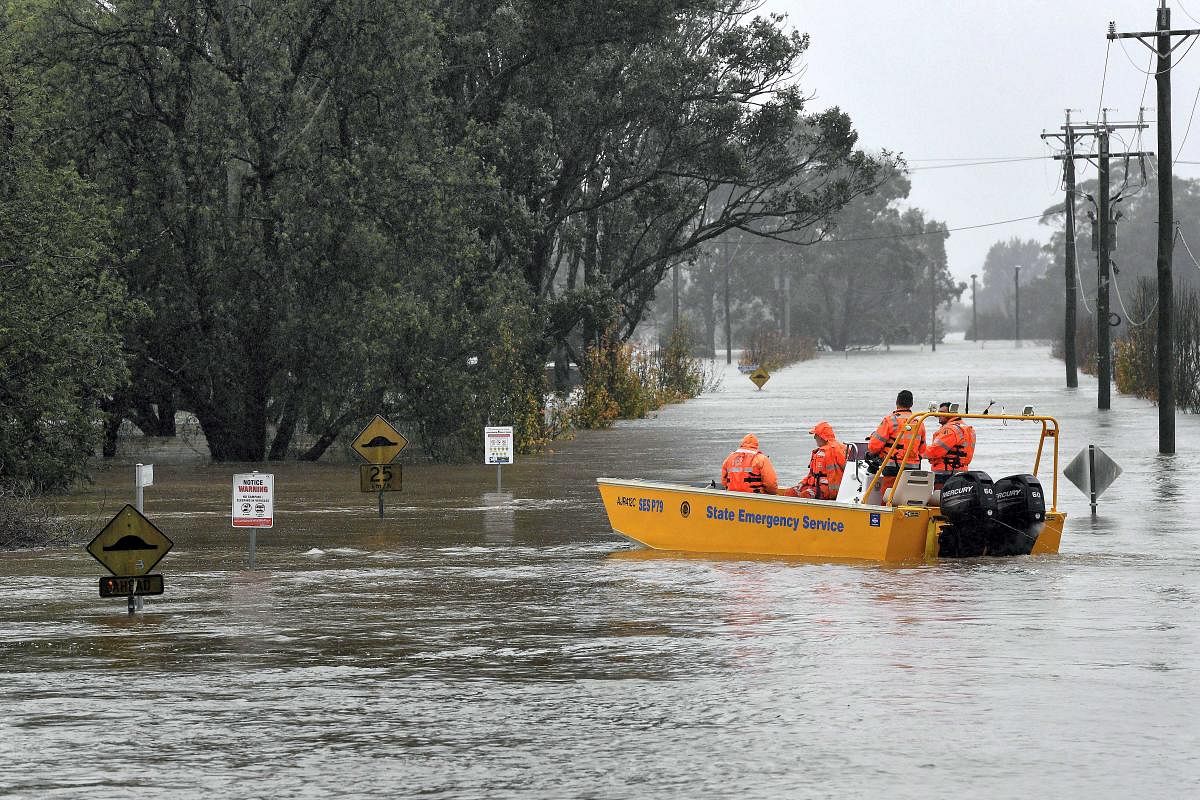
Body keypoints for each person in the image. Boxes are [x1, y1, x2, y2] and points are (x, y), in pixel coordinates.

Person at [866, 389, 927, 491]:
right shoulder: (919, 422)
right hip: (913, 468)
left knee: (888, 497)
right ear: (911, 404)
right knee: (907, 496)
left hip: (892, 466)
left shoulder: (890, 420)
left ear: (897, 402)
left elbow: (874, 446)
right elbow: (923, 448)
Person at [782, 421, 847, 500]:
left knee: (805, 495)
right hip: (815, 487)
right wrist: (802, 483)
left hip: (828, 490)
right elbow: (811, 474)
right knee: (790, 492)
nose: (814, 437)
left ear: (822, 436)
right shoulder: (818, 452)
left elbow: (849, 470)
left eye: (816, 435)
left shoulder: (837, 450)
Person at [924, 401, 976, 486]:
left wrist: (915, 451)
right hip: (961, 472)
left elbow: (935, 451)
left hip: (946, 473)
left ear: (951, 413)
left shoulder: (950, 430)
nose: (939, 415)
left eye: (942, 413)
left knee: (939, 497)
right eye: (939, 412)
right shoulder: (965, 428)